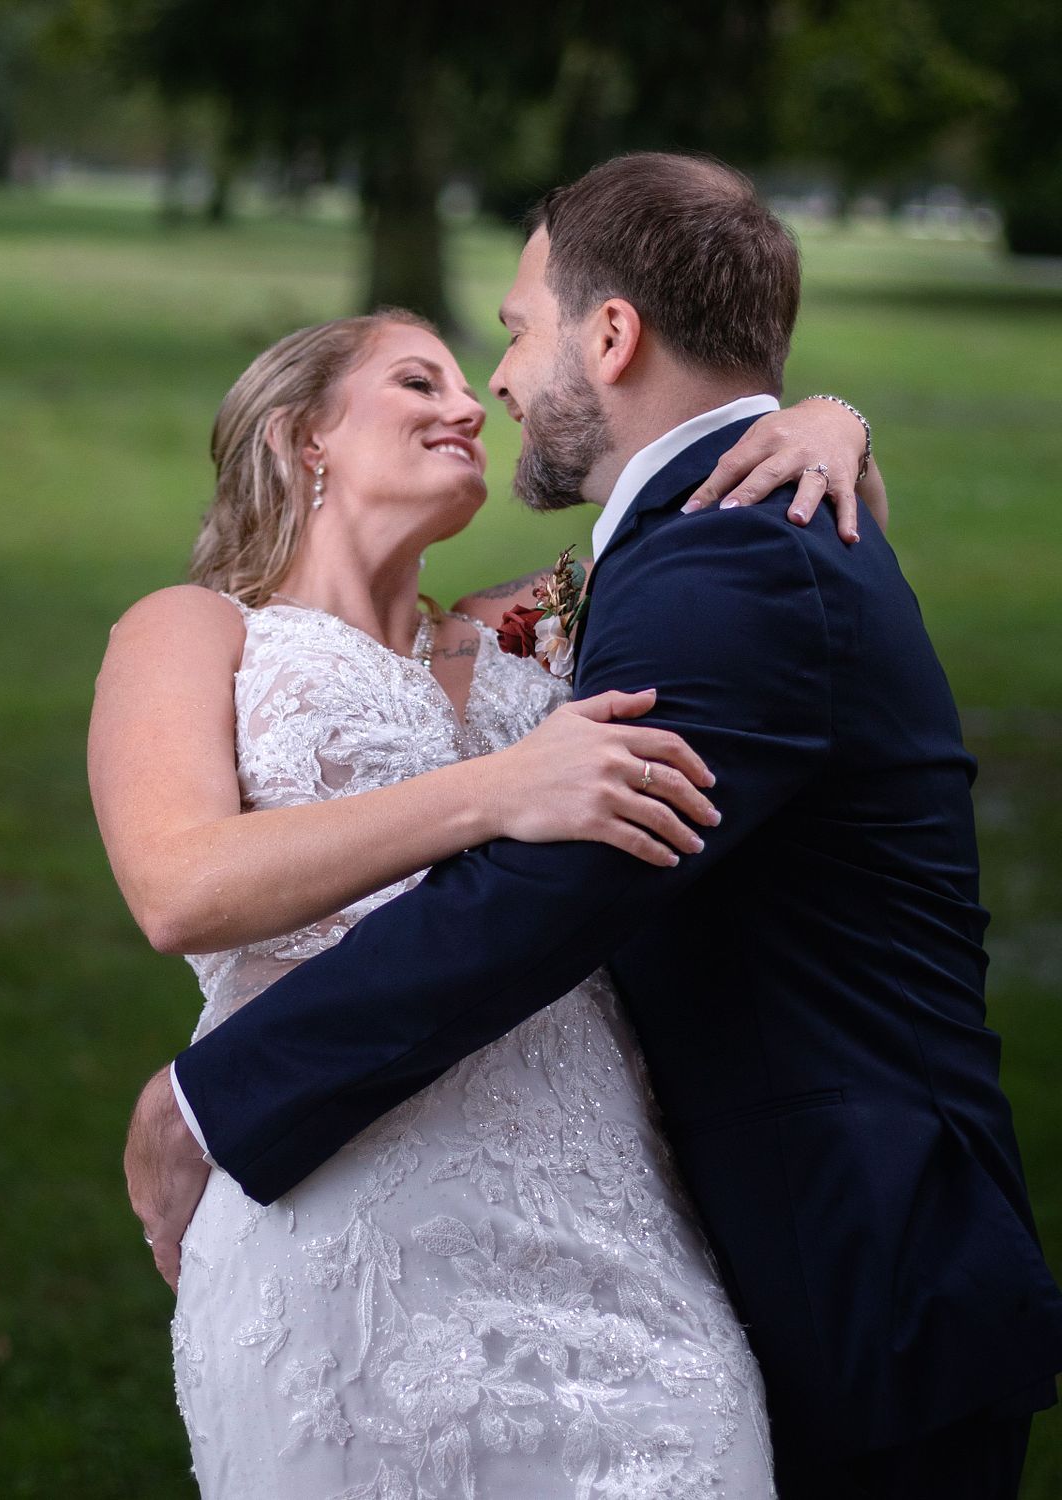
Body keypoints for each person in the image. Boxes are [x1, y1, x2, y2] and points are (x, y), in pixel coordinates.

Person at [126, 152, 1062, 1499]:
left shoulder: (730, 557)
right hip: (700, 1251)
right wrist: (825, 414)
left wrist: (209, 1100)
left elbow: (537, 898)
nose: (494, 386)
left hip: (849, 1273)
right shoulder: (691, 548)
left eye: (510, 336)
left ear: (611, 335)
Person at [91, 312, 878, 1493]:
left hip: (613, 1227)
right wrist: (499, 789)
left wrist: (829, 421)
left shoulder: (532, 629)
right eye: (420, 381)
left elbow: (734, 526)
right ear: (303, 433)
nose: (468, 407)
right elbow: (180, 885)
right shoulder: (195, 630)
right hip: (340, 1230)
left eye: (472, 385)